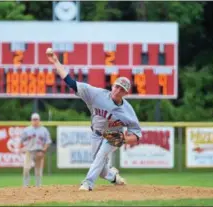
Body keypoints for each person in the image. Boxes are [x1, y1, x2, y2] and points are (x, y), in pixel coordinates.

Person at [46, 48, 142, 191]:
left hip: (113, 135)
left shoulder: (127, 111)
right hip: (96, 133)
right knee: (101, 168)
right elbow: (71, 83)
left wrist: (125, 138)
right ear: (113, 85)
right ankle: (113, 176)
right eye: (117, 86)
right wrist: (56, 62)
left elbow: (137, 134)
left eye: (121, 89)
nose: (117, 90)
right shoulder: (96, 94)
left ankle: (88, 183)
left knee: (101, 156)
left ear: (125, 93)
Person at [19, 113, 52, 187]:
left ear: (39, 120)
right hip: (29, 151)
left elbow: (48, 141)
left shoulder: (44, 130)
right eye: (33, 119)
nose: (35, 121)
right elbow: (21, 140)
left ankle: (38, 186)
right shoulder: (27, 130)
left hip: (39, 152)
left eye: (36, 119)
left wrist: (44, 150)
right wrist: (22, 148)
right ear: (31, 120)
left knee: (38, 171)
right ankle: (25, 186)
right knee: (26, 169)